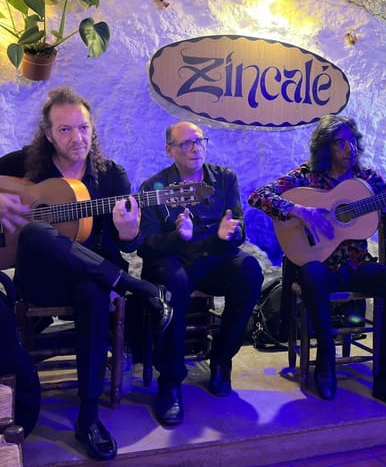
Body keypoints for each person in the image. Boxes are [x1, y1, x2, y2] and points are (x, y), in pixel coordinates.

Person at [0, 87, 173, 462]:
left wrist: (129, 232)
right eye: (65, 130)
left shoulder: (112, 177)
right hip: (39, 280)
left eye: (83, 128)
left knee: (93, 294)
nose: (77, 138)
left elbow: (131, 243)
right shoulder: (24, 166)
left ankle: (88, 418)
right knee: (35, 231)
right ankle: (136, 287)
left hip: (92, 278)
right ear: (48, 134)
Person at [248, 114, 386, 413]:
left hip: (356, 266)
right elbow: (258, 196)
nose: (349, 148)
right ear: (325, 148)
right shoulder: (307, 177)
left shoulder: (370, 181)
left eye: (351, 141)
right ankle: (325, 363)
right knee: (313, 275)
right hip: (320, 267)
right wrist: (301, 212)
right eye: (339, 143)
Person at [137, 121, 263, 427]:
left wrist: (229, 235)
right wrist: (177, 237)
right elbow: (145, 246)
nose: (195, 148)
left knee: (250, 270)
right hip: (173, 263)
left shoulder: (225, 178)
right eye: (186, 144)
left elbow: (239, 227)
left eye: (200, 141)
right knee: (173, 281)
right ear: (170, 151)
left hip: (213, 258)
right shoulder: (152, 188)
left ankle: (221, 360)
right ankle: (170, 381)